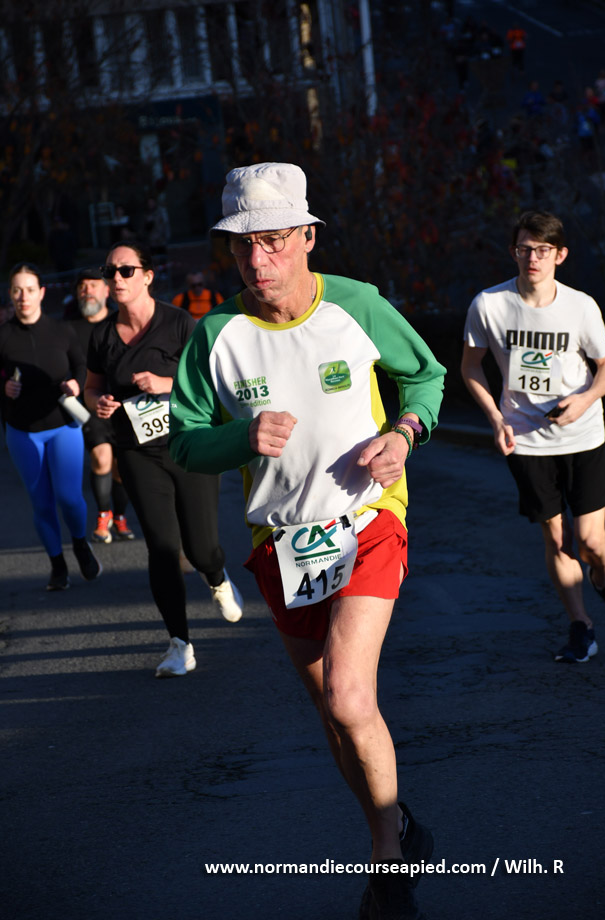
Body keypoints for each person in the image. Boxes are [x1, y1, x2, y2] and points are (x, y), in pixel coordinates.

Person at [169, 162, 446, 919]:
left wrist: (403, 433)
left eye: (273, 240)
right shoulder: (216, 335)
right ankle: (394, 827)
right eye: (242, 244)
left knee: (349, 697)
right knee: (333, 712)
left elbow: (425, 378)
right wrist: (239, 438)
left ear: (307, 238)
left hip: (367, 519)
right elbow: (184, 442)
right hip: (281, 544)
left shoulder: (356, 304)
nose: (257, 259)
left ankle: (387, 865)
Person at [84, 240, 243, 678]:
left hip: (189, 445)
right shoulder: (101, 335)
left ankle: (216, 576)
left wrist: (165, 384)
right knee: (163, 547)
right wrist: (99, 403)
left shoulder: (178, 323)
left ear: (148, 276)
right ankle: (179, 644)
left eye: (126, 270)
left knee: (201, 548)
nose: (117, 278)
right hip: (137, 452)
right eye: (110, 271)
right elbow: (92, 387)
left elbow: (211, 382)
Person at [461, 210, 605, 664]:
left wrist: (585, 400)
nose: (533, 258)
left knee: (590, 541)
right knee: (557, 538)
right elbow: (471, 367)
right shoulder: (489, 305)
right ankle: (581, 626)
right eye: (525, 249)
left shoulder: (580, 306)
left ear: (560, 255)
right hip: (524, 439)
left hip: (582, 434)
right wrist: (495, 419)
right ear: (514, 252)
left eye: (543, 250)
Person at [0, 263, 102, 590]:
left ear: (42, 293)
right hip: (22, 431)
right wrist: (3, 387)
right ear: (10, 294)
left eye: (30, 290)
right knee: (41, 503)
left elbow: (81, 365)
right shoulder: (3, 336)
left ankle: (81, 544)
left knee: (70, 498)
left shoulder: (61, 330)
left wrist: (76, 384)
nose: (23, 297)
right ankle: (57, 565)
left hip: (63, 427)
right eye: (17, 290)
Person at [68, 268, 135, 544]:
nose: (87, 291)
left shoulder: (120, 323)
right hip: (90, 404)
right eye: (82, 287)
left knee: (121, 466)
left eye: (93, 285)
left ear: (107, 290)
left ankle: (119, 517)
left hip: (123, 405)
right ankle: (103, 516)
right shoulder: (69, 328)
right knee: (101, 457)